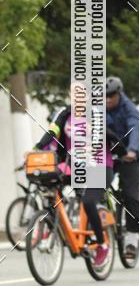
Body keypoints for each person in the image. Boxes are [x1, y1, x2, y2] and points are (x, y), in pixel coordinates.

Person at [33, 93, 113, 267]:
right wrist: (37, 148)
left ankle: (102, 244)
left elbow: (107, 136)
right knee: (46, 181)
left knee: (88, 202)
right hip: (74, 166)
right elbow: (53, 132)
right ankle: (51, 224)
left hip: (99, 167)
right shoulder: (64, 114)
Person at [105, 76, 139, 261]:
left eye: (111, 96)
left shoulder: (129, 108)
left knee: (130, 194)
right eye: (104, 96)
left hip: (130, 156)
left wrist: (132, 150)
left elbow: (135, 129)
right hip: (108, 155)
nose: (107, 100)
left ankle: (132, 236)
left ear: (119, 94)